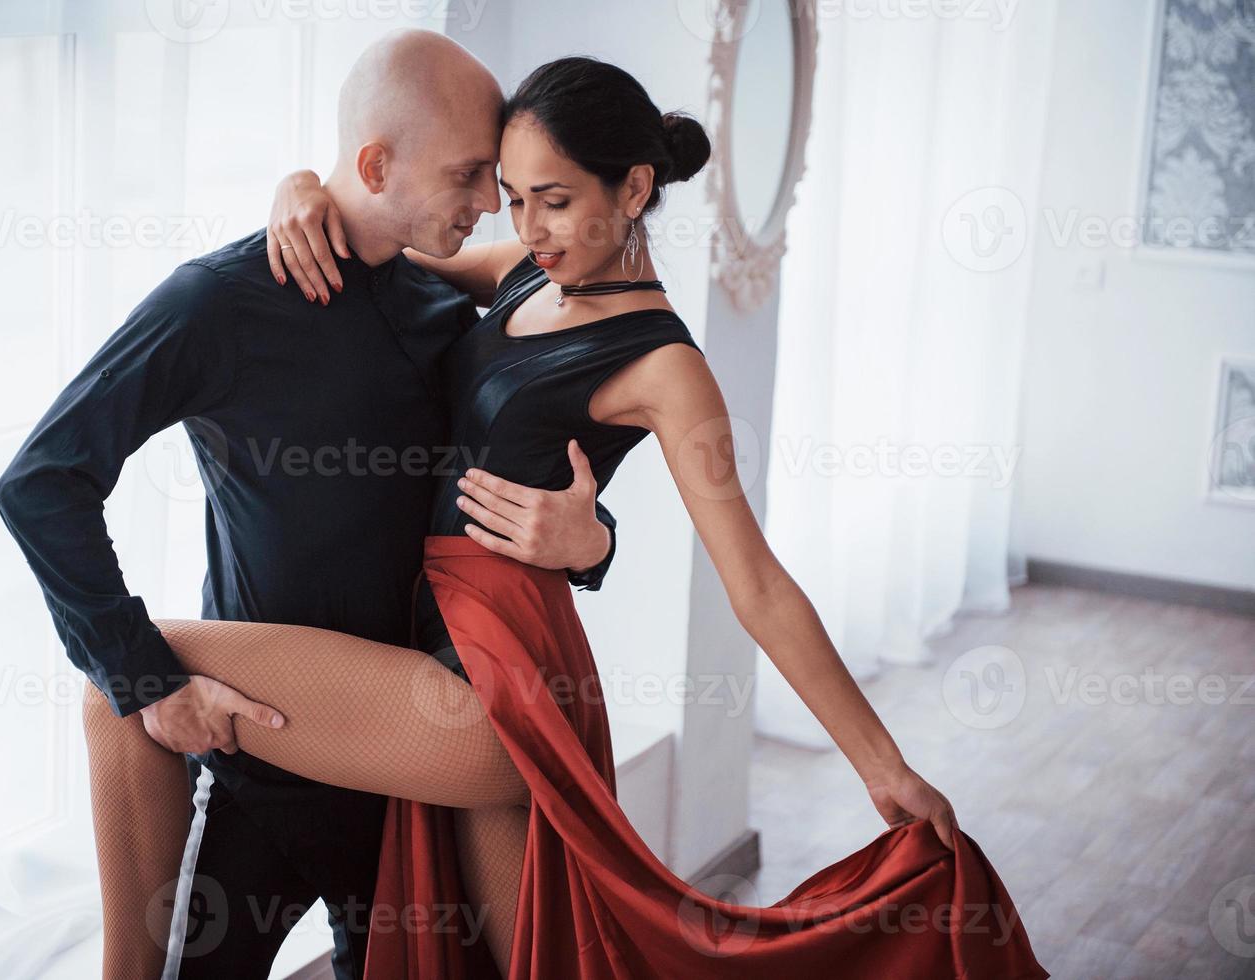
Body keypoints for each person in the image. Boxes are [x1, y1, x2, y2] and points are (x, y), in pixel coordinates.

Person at [84, 43, 1050, 980]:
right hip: (430, 647)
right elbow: (386, 237)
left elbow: (755, 584)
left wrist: (881, 765)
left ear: (633, 190)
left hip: (495, 668)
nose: (530, 224)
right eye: (511, 196)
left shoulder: (668, 367)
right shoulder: (528, 272)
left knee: (117, 679)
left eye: (556, 200)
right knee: (533, 960)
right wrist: (299, 184)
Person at [0, 30, 622, 980]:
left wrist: (594, 541)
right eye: (469, 174)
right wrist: (146, 678)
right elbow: (41, 479)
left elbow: (531, 481)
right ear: (376, 163)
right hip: (262, 760)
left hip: (410, 774)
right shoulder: (217, 302)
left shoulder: (448, 311)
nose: (489, 201)